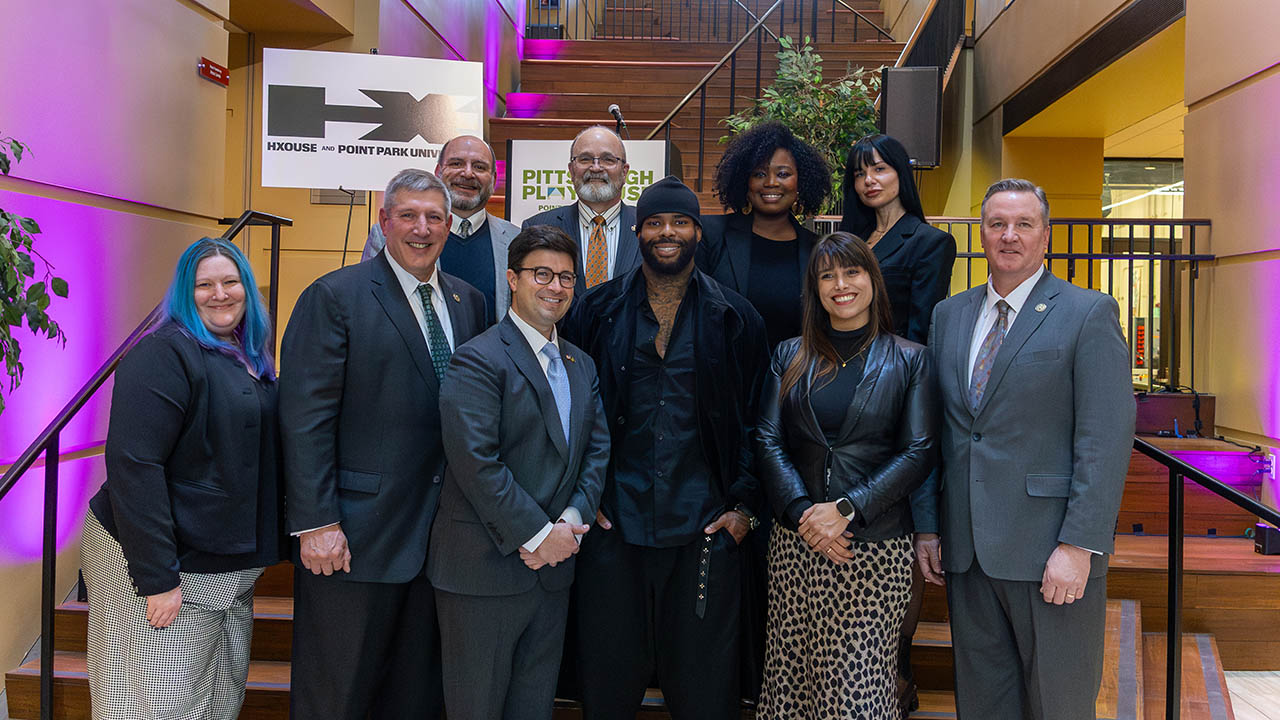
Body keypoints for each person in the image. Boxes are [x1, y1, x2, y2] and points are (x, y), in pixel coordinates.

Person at [921, 178, 1135, 719]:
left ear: (1046, 235)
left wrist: (1079, 545)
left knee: (1059, 706)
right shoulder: (949, 316)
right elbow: (940, 434)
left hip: (1050, 553)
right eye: (997, 224)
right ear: (981, 234)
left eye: (1023, 224)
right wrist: (929, 526)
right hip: (967, 552)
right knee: (983, 706)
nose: (1009, 235)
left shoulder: (1088, 312)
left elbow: (1104, 441)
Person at [280, 169, 488, 720]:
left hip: (440, 541)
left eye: (434, 217)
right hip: (353, 540)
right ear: (385, 221)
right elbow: (304, 419)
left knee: (415, 698)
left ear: (449, 225)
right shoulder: (334, 296)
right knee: (337, 698)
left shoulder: (468, 301)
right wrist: (317, 521)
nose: (422, 228)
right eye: (409, 215)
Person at [560, 175, 770, 720]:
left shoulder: (736, 317)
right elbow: (569, 411)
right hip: (613, 526)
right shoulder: (595, 311)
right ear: (638, 231)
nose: (667, 232)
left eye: (679, 221)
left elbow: (757, 420)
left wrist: (743, 508)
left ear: (698, 232)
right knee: (607, 693)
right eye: (654, 222)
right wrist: (583, 497)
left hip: (704, 530)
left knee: (705, 697)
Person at [82, 236, 283, 720]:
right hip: (159, 561)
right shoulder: (163, 353)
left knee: (218, 700)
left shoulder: (248, 354)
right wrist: (157, 578)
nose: (220, 294)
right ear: (183, 293)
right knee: (155, 704)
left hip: (222, 568)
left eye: (231, 281)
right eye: (204, 285)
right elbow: (135, 464)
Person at [429, 225, 611, 720]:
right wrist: (538, 535)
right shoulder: (478, 358)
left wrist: (570, 523)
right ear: (512, 279)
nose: (556, 287)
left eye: (566, 277)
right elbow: (475, 461)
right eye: (542, 274)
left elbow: (596, 451)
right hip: (483, 572)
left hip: (554, 572)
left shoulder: (581, 364)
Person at [754, 231, 936, 718]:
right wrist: (803, 513)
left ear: (872, 280)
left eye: (852, 272)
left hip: (872, 548)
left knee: (858, 692)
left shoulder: (910, 359)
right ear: (814, 288)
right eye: (827, 275)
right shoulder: (788, 355)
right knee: (790, 686)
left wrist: (846, 509)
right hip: (796, 545)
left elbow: (919, 450)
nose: (840, 285)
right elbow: (767, 439)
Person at [840, 132, 956, 717]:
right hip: (841, 393)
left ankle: (897, 676)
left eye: (881, 169)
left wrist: (893, 387)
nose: (870, 181)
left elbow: (922, 327)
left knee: (898, 525)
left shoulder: (929, 241)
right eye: (861, 172)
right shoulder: (851, 240)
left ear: (901, 175)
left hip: (897, 390)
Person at [704, 120, 832, 348]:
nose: (771, 183)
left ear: (800, 182)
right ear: (745, 182)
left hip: (793, 369)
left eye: (783, 174)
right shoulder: (712, 235)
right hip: (726, 369)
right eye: (759, 174)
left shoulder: (817, 250)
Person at [521, 125, 641, 290]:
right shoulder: (537, 226)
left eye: (608, 159)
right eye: (585, 159)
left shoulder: (648, 226)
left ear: (624, 172)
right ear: (571, 170)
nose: (596, 168)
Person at [434, 135, 521, 323]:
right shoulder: (397, 237)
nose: (467, 173)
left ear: (494, 180)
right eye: (456, 163)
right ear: (438, 173)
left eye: (479, 167)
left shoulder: (517, 240)